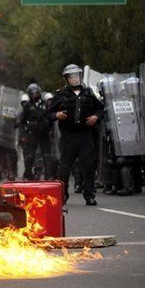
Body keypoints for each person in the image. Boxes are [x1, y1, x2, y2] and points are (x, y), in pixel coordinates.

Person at [47, 64, 104, 205]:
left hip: (85, 135)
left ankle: (89, 195)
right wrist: (57, 115)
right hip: (68, 136)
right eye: (71, 77)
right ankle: (63, 194)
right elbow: (48, 114)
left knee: (88, 166)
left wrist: (96, 117)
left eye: (77, 76)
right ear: (66, 79)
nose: (75, 79)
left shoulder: (88, 93)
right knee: (64, 167)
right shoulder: (61, 94)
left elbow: (101, 109)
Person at [19, 83, 52, 180]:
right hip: (32, 133)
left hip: (44, 132)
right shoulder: (28, 106)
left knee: (47, 155)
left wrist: (51, 130)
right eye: (32, 93)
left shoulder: (45, 104)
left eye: (36, 93)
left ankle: (48, 176)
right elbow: (22, 122)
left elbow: (50, 118)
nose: (34, 95)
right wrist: (23, 135)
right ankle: (28, 174)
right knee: (30, 155)